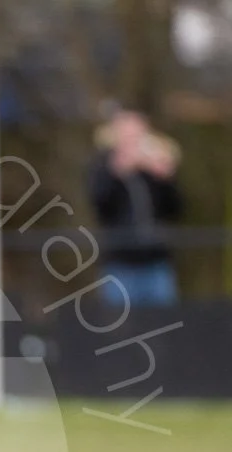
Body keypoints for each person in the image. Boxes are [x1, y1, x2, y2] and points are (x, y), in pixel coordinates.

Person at [87, 108, 184, 307]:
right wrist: (115, 175)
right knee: (122, 329)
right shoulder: (102, 167)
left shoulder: (153, 171)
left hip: (157, 260)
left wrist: (166, 179)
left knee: (164, 325)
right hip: (119, 262)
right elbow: (100, 205)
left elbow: (175, 209)